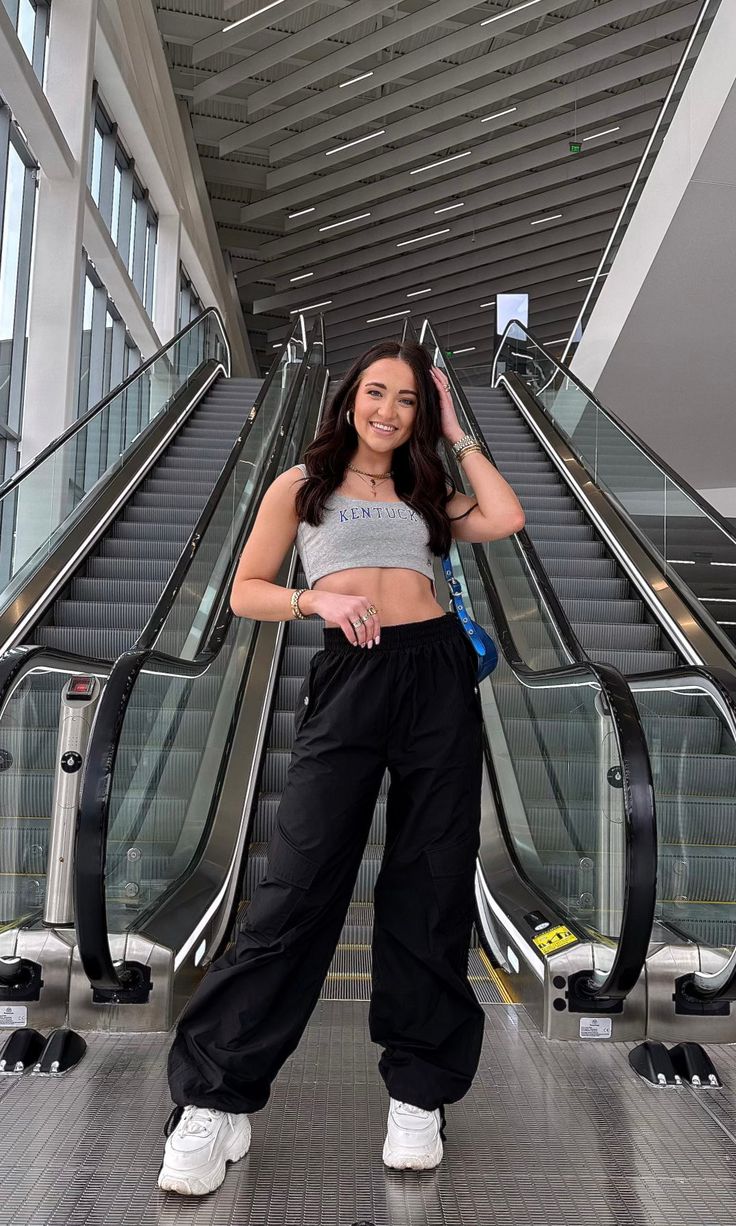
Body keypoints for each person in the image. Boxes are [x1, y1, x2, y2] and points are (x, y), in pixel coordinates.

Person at [158, 339, 525, 1196]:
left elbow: (506, 517)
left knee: (430, 885)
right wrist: (313, 598)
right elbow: (248, 588)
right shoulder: (301, 485)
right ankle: (215, 1096)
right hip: (351, 675)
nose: (389, 411)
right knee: (295, 884)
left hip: (437, 674)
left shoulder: (428, 490)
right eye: (376, 393)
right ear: (349, 399)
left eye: (406, 400)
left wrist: (459, 429)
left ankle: (418, 1094)